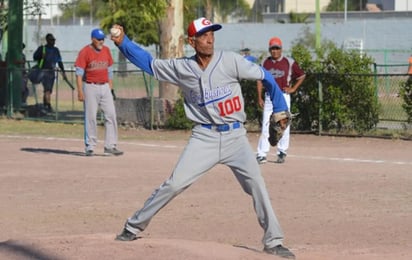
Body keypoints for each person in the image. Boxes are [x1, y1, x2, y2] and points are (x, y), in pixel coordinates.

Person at [111, 17, 295, 259]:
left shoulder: (229, 60)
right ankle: (133, 226)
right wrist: (123, 42)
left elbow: (266, 77)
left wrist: (281, 106)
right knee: (174, 184)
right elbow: (149, 63)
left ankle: (273, 241)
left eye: (212, 33)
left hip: (235, 137)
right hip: (204, 137)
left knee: (257, 185)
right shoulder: (182, 68)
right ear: (192, 41)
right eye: (204, 34)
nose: (210, 38)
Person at [256, 37, 305, 164]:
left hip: (283, 96)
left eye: (277, 48)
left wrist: (293, 88)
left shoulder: (289, 62)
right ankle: (262, 154)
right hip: (269, 97)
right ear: (269, 50)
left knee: (283, 125)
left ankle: (282, 152)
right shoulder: (265, 62)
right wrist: (259, 96)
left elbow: (302, 75)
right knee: (266, 125)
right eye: (272, 48)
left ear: (281, 49)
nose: (275, 51)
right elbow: (259, 80)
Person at [74, 28, 123, 157]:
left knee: (111, 115)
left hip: (105, 86)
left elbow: (110, 71)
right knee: (90, 117)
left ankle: (110, 146)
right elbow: (79, 74)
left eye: (103, 39)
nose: (101, 42)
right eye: (99, 39)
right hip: (90, 86)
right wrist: (80, 91)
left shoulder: (106, 50)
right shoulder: (85, 52)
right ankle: (90, 146)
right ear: (93, 39)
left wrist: (110, 89)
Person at [33, 33, 67, 112]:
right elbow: (35, 57)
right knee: (47, 89)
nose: (53, 41)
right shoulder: (42, 48)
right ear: (47, 40)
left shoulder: (56, 50)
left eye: (54, 40)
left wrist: (63, 72)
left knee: (48, 90)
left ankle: (46, 105)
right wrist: (41, 56)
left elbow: (59, 61)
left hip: (51, 72)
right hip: (43, 71)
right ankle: (47, 105)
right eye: (51, 40)